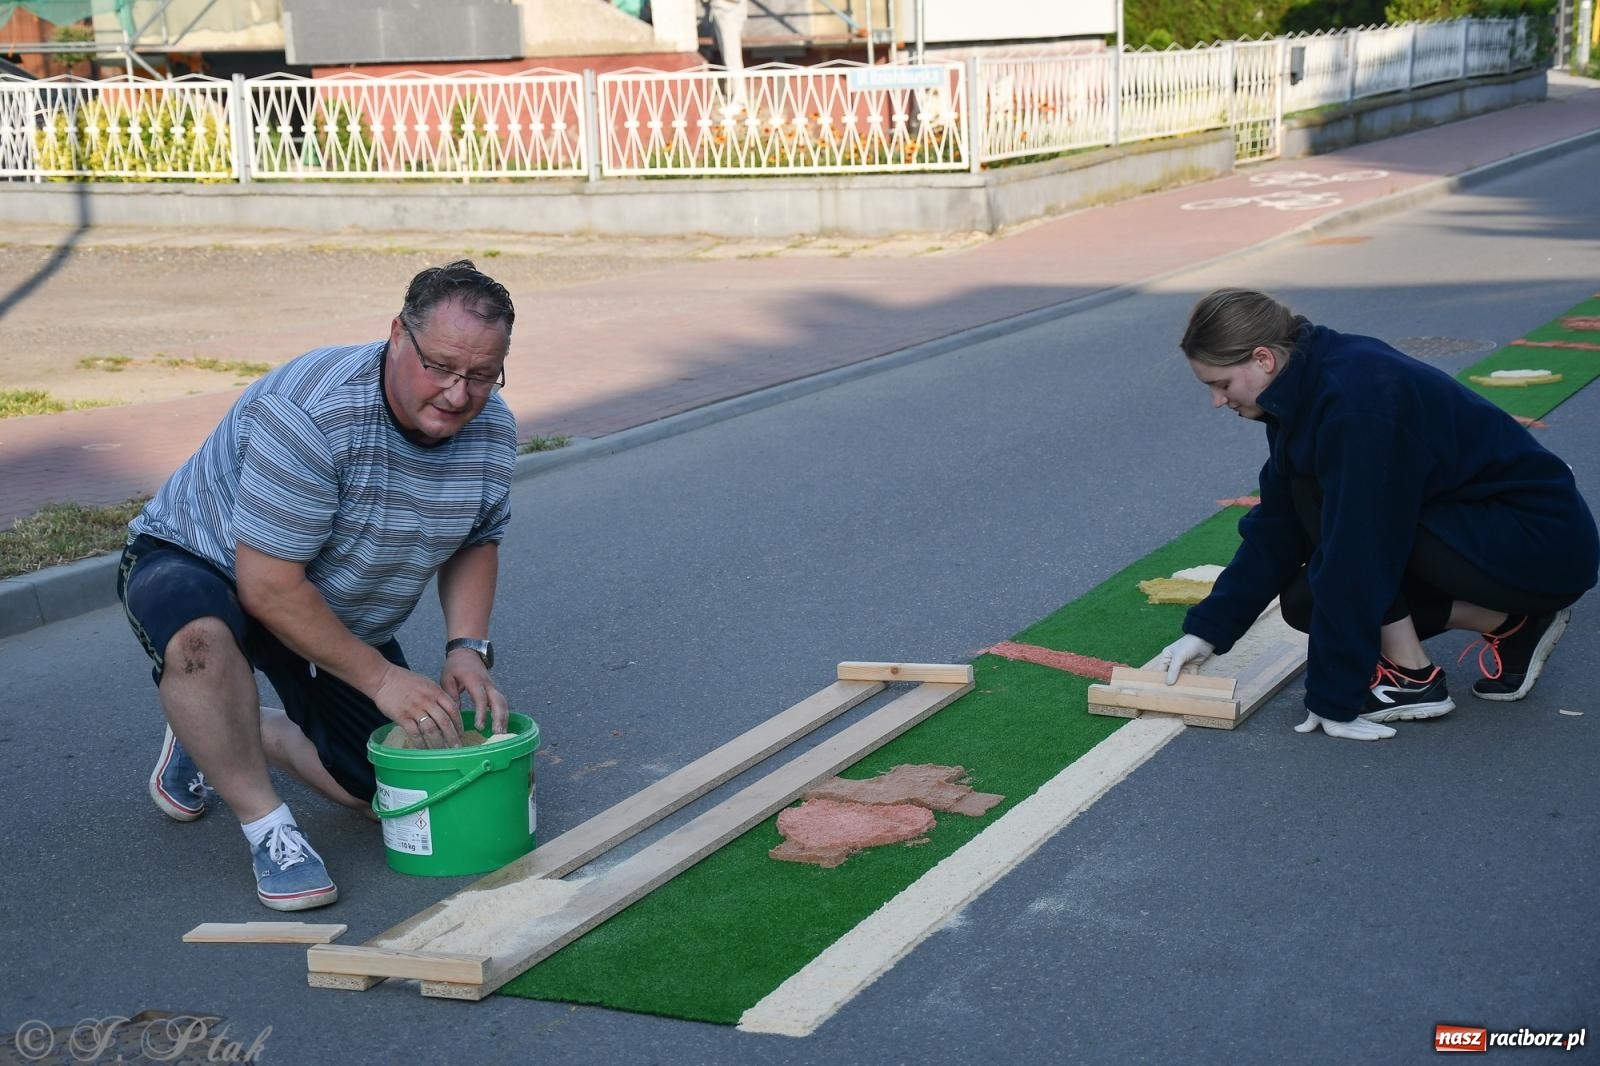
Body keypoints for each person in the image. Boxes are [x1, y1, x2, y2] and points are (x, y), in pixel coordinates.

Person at [118, 260, 517, 909]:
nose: (456, 393)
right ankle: (266, 826)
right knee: (200, 644)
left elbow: (477, 536)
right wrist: (385, 679)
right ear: (397, 335)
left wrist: (466, 646)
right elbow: (269, 587)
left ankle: (221, 731)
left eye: (479, 375)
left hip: (325, 599)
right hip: (203, 560)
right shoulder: (315, 413)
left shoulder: (492, 428)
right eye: (440, 366)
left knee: (376, 787)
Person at [1158, 288, 1598, 741]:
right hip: (1476, 526)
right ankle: (1515, 625)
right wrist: (1208, 632)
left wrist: (1334, 696)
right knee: (1306, 597)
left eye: (1221, 384)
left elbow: (1359, 549)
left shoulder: (1355, 403)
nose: (1216, 400)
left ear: (1263, 359)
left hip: (1542, 541)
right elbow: (1278, 525)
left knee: (1340, 525)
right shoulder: (1302, 390)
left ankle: (1413, 680)